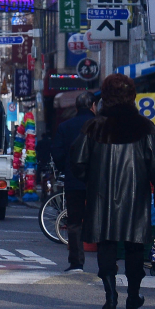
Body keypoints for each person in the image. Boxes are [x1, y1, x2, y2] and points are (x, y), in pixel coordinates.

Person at [72, 74, 155, 309]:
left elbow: (78, 161)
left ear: (105, 96)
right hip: (136, 198)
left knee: (106, 244)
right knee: (135, 247)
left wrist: (92, 180)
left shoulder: (94, 126)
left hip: (101, 197)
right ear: (132, 96)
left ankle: (110, 295)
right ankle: (133, 296)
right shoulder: (144, 127)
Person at [52, 91, 97, 271]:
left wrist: (67, 169)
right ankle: (106, 262)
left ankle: (76, 261)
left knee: (75, 222)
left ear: (76, 107)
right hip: (98, 181)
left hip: (74, 181)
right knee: (100, 220)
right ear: (93, 106)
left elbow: (57, 153)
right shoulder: (100, 126)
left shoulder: (65, 126)